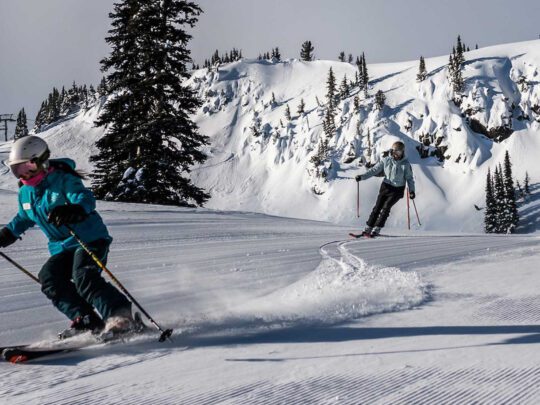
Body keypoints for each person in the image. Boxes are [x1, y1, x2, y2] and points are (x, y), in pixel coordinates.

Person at [0, 136, 133, 337]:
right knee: (49, 278)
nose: (23, 174)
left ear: (41, 161)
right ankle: (86, 320)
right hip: (62, 247)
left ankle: (121, 319)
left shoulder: (63, 179)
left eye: (27, 167)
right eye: (16, 169)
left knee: (84, 277)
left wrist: (74, 209)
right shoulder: (25, 192)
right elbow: (24, 217)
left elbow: (84, 197)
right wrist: (6, 235)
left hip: (89, 240)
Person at [355, 141, 415, 237]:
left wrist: (412, 191)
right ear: (392, 151)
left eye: (399, 152)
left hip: (397, 190)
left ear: (402, 152)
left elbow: (409, 178)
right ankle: (368, 227)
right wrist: (362, 177)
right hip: (386, 187)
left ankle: (377, 228)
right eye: (395, 151)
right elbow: (374, 170)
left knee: (386, 207)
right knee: (377, 207)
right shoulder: (386, 160)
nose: (397, 154)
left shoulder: (406, 164)